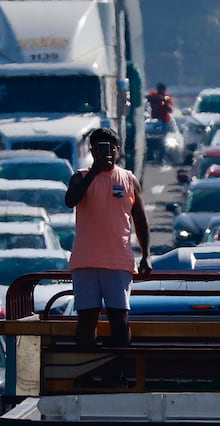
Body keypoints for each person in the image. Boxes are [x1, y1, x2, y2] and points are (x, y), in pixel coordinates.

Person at [65, 127, 151, 349]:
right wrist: (93, 172)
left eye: (111, 148)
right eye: (101, 149)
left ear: (118, 150)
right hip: (86, 262)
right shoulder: (81, 177)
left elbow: (140, 220)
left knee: (119, 321)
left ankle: (118, 375)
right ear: (92, 151)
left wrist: (146, 255)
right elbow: (70, 200)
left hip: (118, 262)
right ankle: (85, 375)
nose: (107, 154)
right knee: (86, 322)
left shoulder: (128, 179)